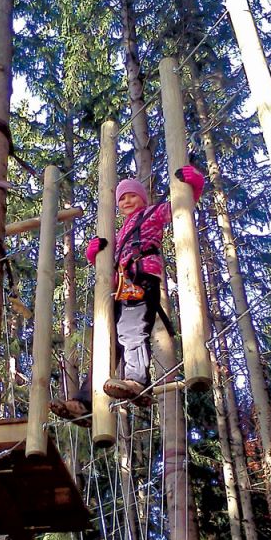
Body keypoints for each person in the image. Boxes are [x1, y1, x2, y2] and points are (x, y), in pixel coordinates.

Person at [49, 166, 205, 426]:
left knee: (132, 330)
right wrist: (95, 257)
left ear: (142, 198)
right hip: (120, 285)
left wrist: (194, 185)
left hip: (142, 278)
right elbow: (109, 265)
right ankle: (85, 403)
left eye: (131, 195)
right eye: (121, 198)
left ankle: (136, 381)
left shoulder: (151, 214)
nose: (126, 201)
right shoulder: (119, 234)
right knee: (107, 343)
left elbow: (180, 206)